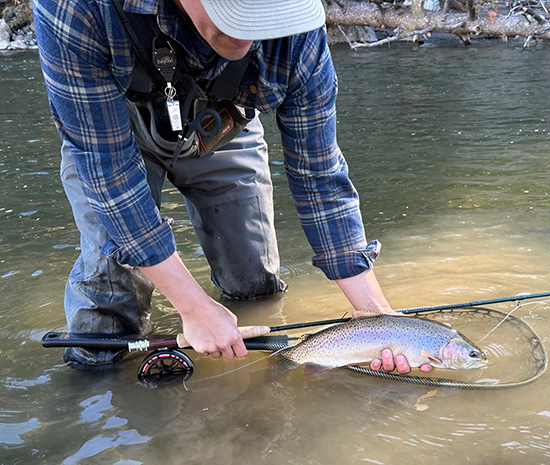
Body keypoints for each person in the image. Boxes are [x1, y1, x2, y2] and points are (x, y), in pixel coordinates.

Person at [34, 0, 431, 374]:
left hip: (220, 126)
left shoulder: (301, 35)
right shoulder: (75, 8)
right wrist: (191, 308)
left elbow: (320, 176)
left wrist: (378, 317)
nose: (249, 34)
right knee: (105, 316)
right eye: (235, 10)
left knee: (257, 288)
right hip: (114, 130)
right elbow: (110, 177)